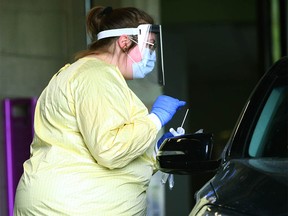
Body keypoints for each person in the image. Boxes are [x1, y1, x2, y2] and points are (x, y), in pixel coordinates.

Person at [13, 6, 186, 216]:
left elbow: (91, 145)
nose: (151, 55)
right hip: (74, 206)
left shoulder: (86, 73)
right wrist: (155, 119)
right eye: (149, 45)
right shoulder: (95, 76)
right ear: (124, 42)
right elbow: (110, 150)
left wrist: (153, 152)